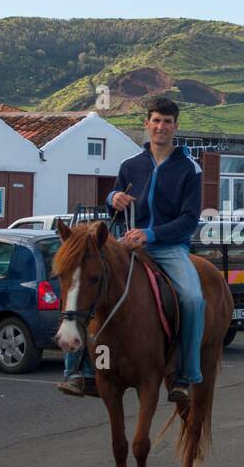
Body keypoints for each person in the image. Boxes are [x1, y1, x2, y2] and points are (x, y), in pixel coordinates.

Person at [58, 97, 205, 403]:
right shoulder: (130, 165)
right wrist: (114, 198)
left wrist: (151, 234)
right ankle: (78, 372)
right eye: (155, 120)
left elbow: (190, 219)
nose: (160, 126)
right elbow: (115, 191)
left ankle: (185, 375)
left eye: (167, 121)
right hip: (125, 245)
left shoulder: (190, 169)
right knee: (86, 286)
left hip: (168, 248)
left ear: (175, 126)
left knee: (192, 299)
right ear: (146, 124)